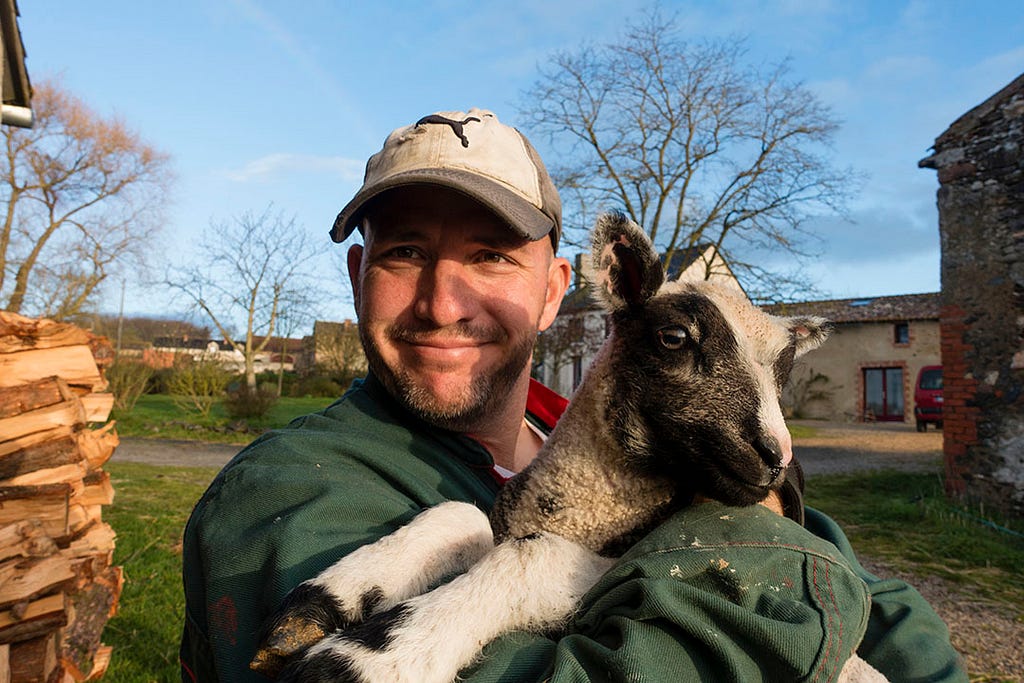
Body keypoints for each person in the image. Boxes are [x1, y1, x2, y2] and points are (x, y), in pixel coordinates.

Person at [180, 108, 966, 682]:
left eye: (490, 256)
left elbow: (896, 622)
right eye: (406, 251)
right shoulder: (292, 489)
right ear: (358, 278)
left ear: (560, 289)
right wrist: (772, 562)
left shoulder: (595, 443)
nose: (443, 302)